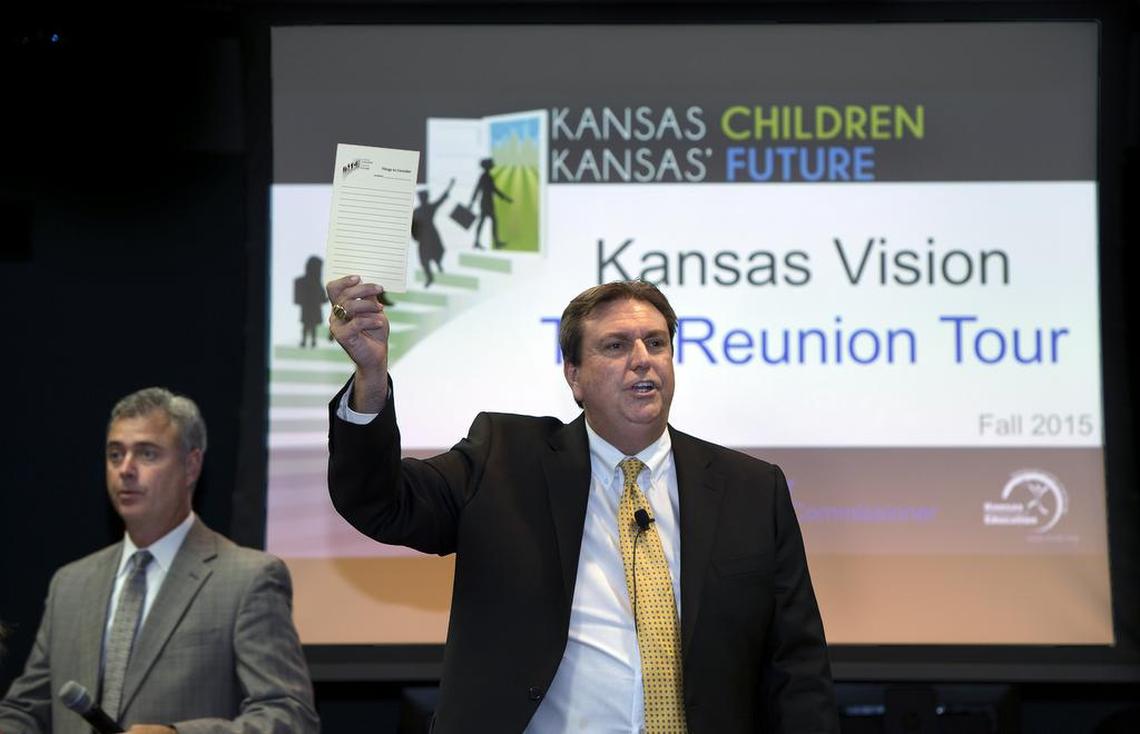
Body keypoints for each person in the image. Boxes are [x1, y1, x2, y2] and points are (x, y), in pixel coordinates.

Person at [325, 276, 838, 733]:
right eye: (616, 345)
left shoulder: (750, 488)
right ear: (574, 376)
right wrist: (371, 379)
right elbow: (381, 501)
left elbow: (796, 667)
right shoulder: (504, 458)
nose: (643, 358)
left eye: (656, 343)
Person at [0, 388, 319, 734]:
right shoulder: (70, 584)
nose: (126, 469)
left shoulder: (247, 579)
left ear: (191, 465)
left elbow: (290, 717)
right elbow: (25, 710)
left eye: (147, 454)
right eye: (115, 454)